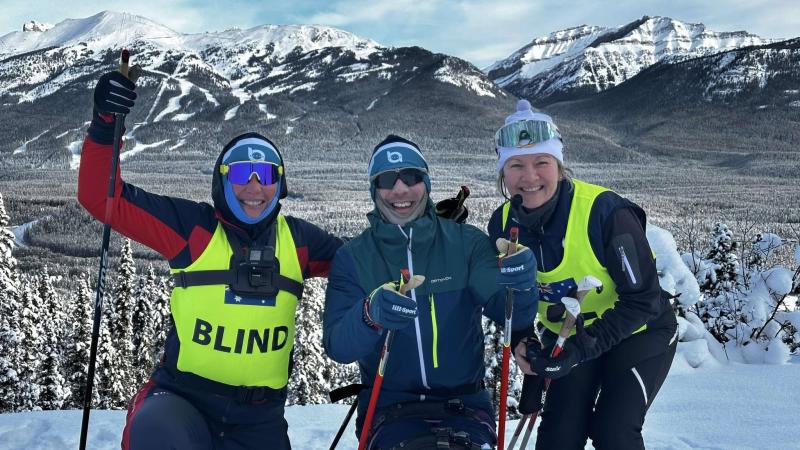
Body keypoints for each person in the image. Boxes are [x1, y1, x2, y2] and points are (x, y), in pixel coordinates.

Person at [77, 70, 342, 449]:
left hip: (260, 419)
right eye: (240, 173)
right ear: (221, 180)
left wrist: (420, 233)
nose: (253, 186)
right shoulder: (194, 229)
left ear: (280, 183)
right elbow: (104, 199)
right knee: (154, 435)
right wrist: (106, 124)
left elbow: (360, 260)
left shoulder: (299, 241)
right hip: (183, 403)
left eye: (266, 173)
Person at [323, 134, 540, 449]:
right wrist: (369, 314)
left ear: (426, 182)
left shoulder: (466, 243)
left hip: (465, 404)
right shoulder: (354, 257)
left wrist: (521, 284)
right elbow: (338, 347)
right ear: (374, 190)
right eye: (387, 179)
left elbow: (510, 312)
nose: (400, 189)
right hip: (389, 407)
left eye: (411, 176)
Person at [487, 99, 678, 450]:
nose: (529, 177)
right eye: (516, 165)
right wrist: (524, 343)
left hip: (640, 331)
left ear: (559, 165)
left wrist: (579, 348)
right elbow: (513, 298)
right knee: (559, 436)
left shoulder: (605, 213)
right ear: (503, 172)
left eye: (541, 162)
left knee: (614, 431)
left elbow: (644, 300)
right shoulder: (502, 224)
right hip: (569, 337)